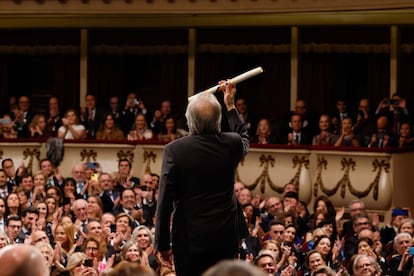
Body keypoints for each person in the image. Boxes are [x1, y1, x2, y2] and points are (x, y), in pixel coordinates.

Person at [155, 80, 249, 276]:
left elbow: (164, 201)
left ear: (190, 121)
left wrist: (162, 243)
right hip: (225, 235)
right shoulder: (231, 143)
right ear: (218, 119)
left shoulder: (174, 150)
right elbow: (243, 136)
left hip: (189, 238)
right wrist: (230, 105)